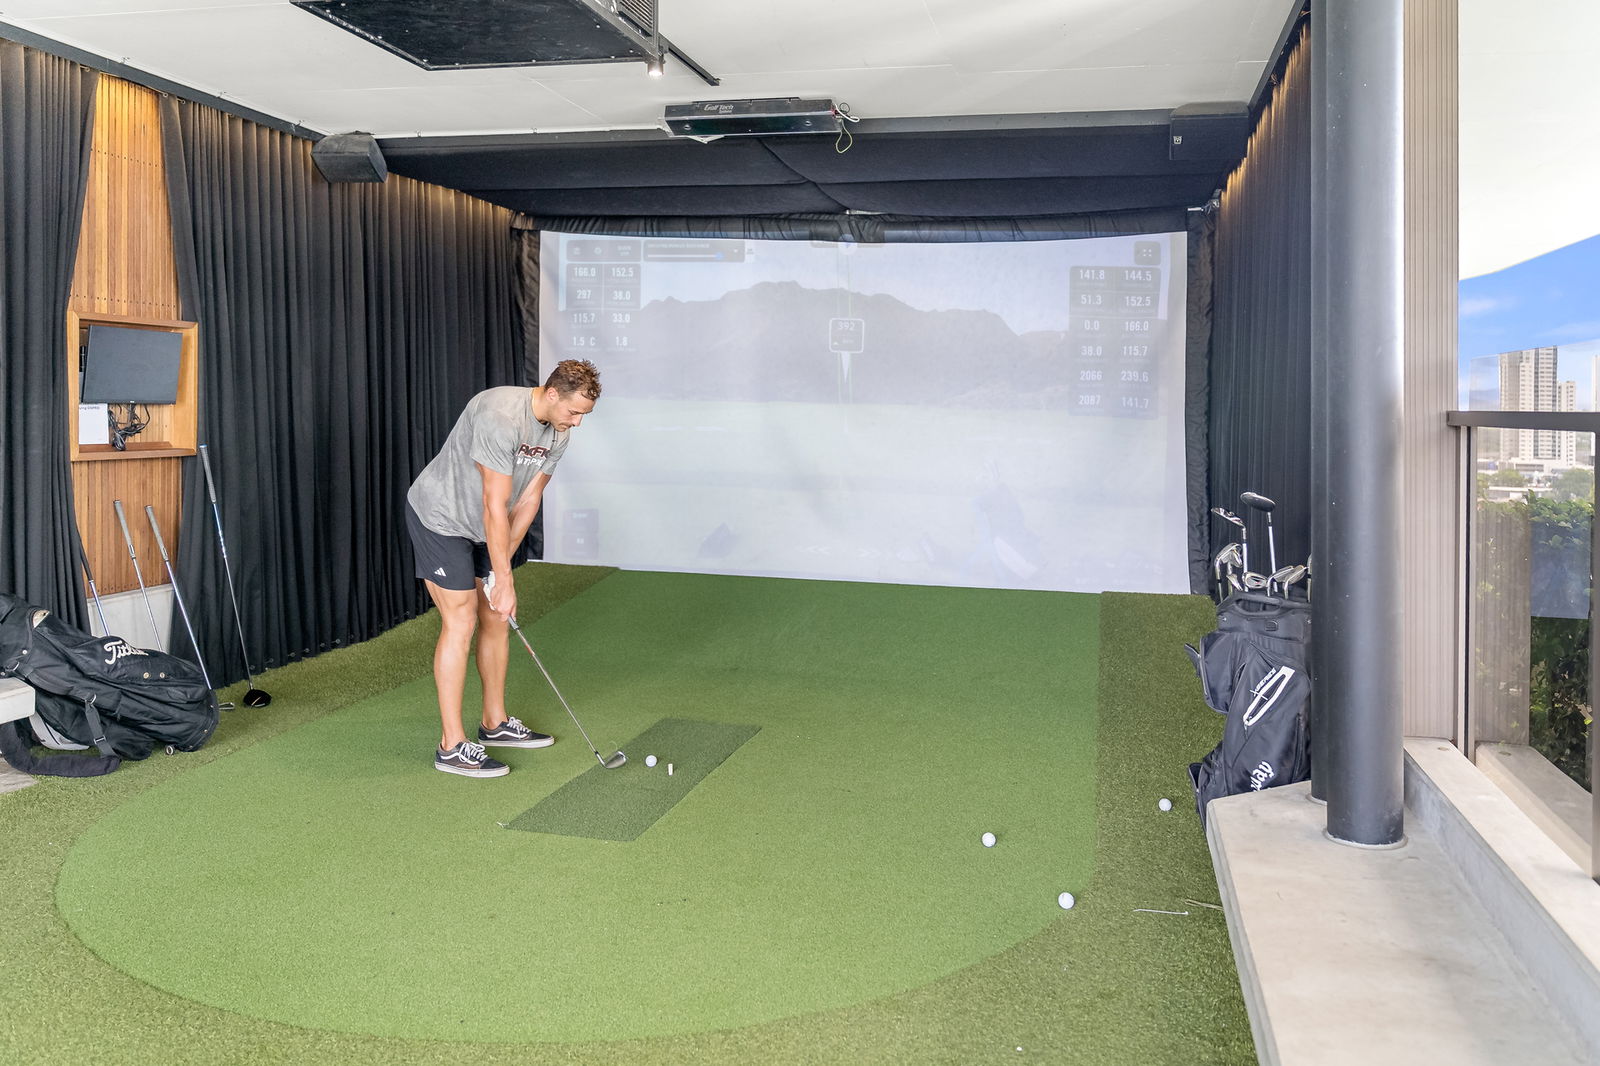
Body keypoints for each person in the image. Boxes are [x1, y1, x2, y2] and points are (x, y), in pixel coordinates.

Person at [405, 359, 601, 777]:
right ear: (552, 393)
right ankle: (451, 745)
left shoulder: (560, 430)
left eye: (583, 414)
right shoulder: (500, 416)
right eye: (574, 412)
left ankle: (494, 723)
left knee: (496, 615)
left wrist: (500, 570)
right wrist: (505, 579)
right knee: (461, 619)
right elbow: (493, 503)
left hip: (486, 526)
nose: (577, 422)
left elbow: (528, 499)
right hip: (442, 518)